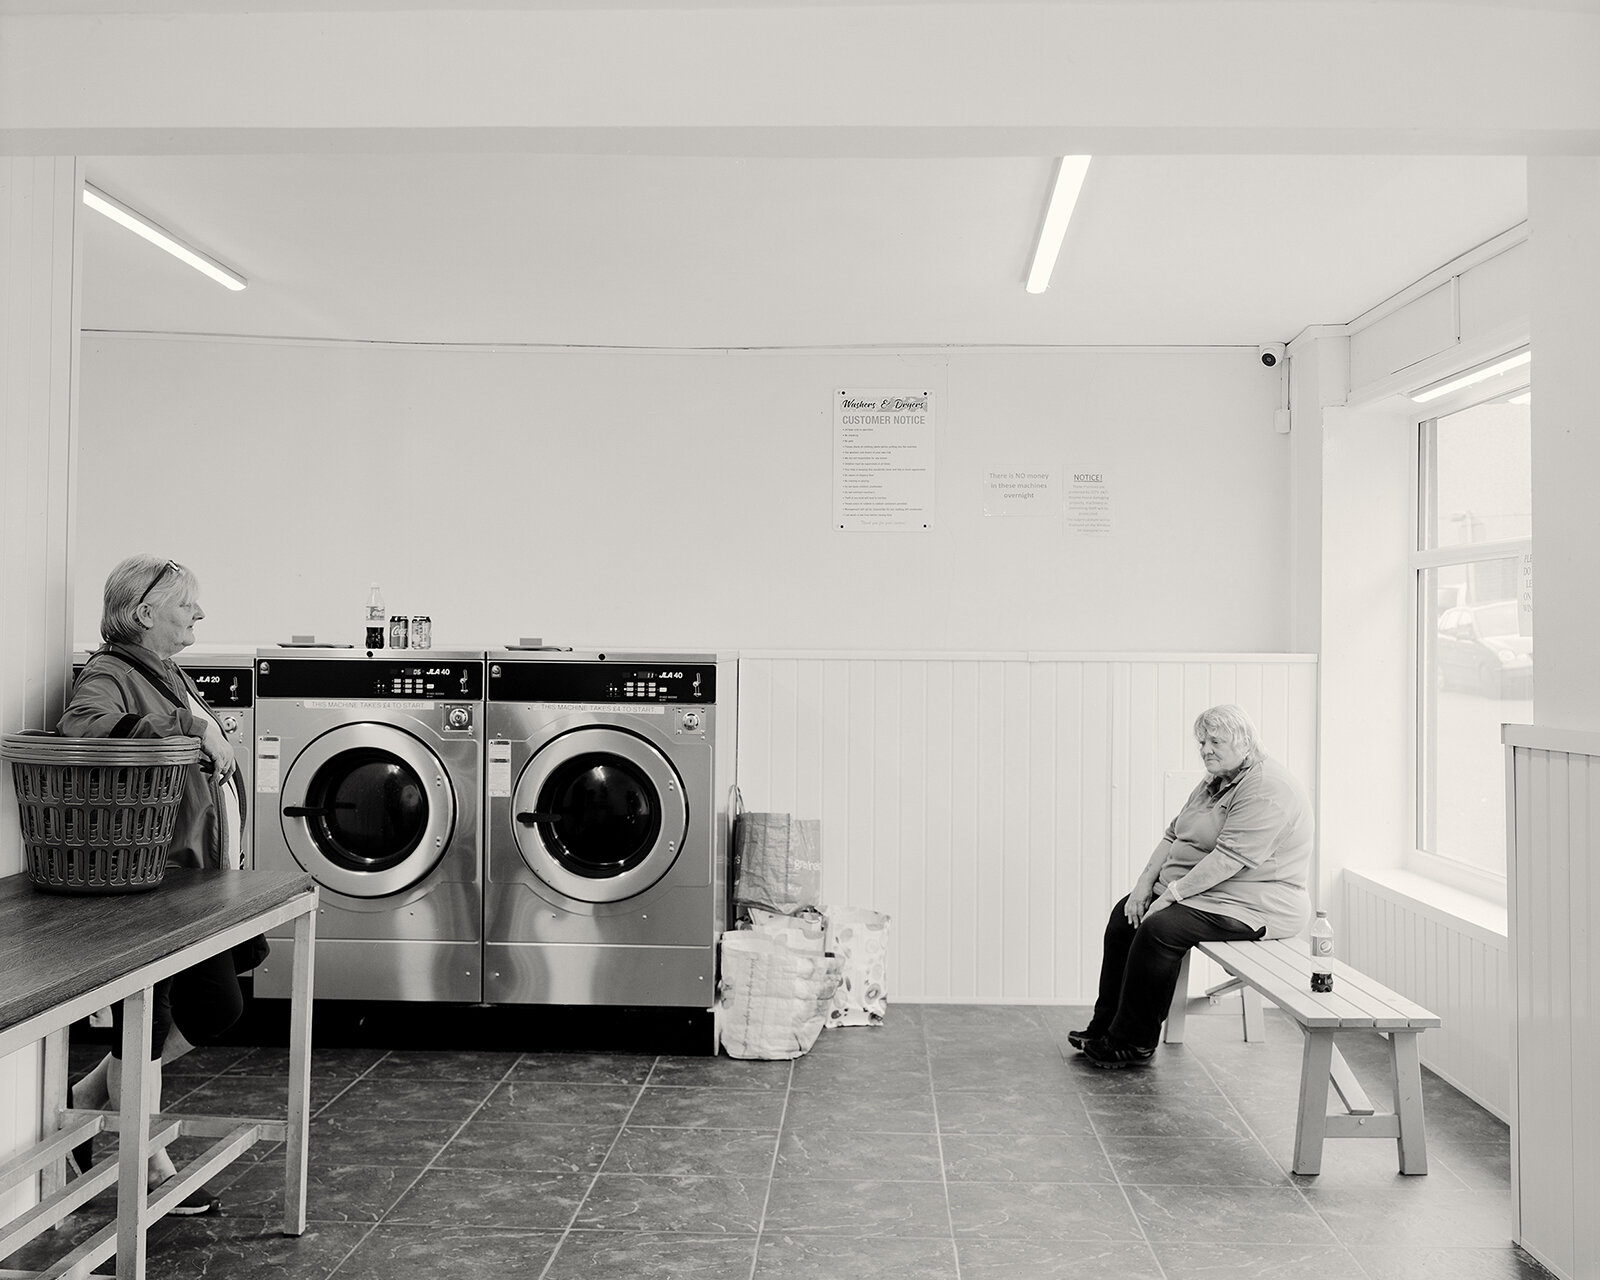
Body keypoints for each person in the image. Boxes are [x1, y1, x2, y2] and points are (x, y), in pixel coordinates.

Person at [57, 555, 256, 1215]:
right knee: (152, 1019)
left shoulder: (163, 670)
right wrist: (193, 727)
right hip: (151, 880)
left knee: (219, 1005)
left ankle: (90, 1096)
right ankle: (150, 1168)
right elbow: (83, 728)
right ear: (145, 613)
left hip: (195, 875)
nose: (199, 614)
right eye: (186, 604)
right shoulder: (111, 673)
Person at [1070, 704, 1313, 1069]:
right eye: (1202, 742)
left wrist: (1170, 895)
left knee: (1160, 928)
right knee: (1126, 915)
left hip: (1253, 903)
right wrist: (1143, 886)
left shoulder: (1267, 788)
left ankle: (1134, 1041)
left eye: (1215, 741)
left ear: (1245, 742)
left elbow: (1228, 859)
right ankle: (1104, 1026)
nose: (1205, 750)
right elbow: (1173, 835)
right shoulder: (1216, 779)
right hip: (1208, 894)